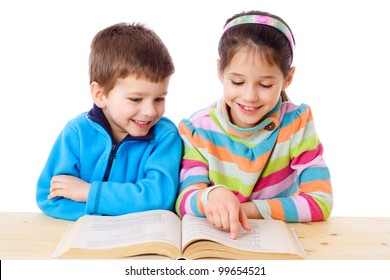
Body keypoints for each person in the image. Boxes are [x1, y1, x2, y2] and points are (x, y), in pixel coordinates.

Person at [175, 10, 333, 239]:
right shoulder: (198, 129)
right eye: (237, 82)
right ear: (220, 71)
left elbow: (320, 201)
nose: (249, 96)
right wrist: (213, 195)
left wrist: (246, 210)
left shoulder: (297, 124)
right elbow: (184, 200)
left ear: (287, 78)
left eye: (266, 85)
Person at [36, 22, 182, 221]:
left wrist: (90, 193)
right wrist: (109, 213)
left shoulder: (165, 137)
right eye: (135, 99)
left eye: (159, 99)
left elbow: (159, 199)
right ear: (100, 95)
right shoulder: (76, 133)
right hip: (83, 241)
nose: (149, 111)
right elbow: (50, 197)